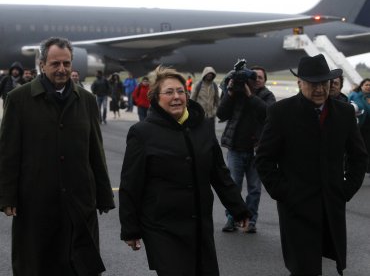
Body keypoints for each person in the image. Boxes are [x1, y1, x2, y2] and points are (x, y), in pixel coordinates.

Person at [119, 65, 250, 276]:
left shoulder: (203, 128)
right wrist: (130, 228)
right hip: (163, 227)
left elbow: (219, 173)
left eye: (181, 91)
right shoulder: (142, 133)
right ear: (156, 97)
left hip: (199, 224)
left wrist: (238, 208)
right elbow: (130, 184)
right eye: (169, 92)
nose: (176, 97)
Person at [0, 37, 115, 276]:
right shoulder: (19, 99)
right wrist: (7, 196)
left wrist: (103, 195)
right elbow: (8, 152)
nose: (62, 69)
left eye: (66, 63)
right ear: (42, 64)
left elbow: (96, 151)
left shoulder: (86, 101)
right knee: (37, 264)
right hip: (36, 201)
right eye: (55, 64)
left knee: (79, 265)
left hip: (79, 201)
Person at [255, 54, 368, 276]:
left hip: (331, 204)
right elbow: (264, 159)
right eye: (313, 84)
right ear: (300, 83)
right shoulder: (281, 112)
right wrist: (283, 192)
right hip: (296, 206)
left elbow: (359, 156)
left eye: (324, 83)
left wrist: (346, 190)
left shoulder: (344, 113)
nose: (319, 89)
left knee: (328, 256)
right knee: (303, 267)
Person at [217, 65, 276, 233]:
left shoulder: (267, 96)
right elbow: (221, 114)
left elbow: (269, 114)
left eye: (260, 78)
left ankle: (251, 220)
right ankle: (232, 218)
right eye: (254, 77)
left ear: (264, 81)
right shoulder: (236, 93)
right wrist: (229, 92)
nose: (256, 80)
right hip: (236, 147)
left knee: (254, 189)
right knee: (233, 187)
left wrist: (250, 96)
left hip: (257, 150)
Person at [349, 78, 370, 172]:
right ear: (361, 86)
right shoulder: (355, 95)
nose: (368, 87)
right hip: (359, 126)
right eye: (366, 85)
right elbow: (351, 106)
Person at [190, 66, 219, 131]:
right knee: (200, 132)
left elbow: (217, 101)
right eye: (208, 74)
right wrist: (194, 112)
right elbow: (192, 99)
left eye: (211, 74)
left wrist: (215, 111)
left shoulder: (214, 85)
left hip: (211, 116)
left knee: (210, 133)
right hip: (200, 116)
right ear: (205, 74)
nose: (209, 75)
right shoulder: (198, 85)